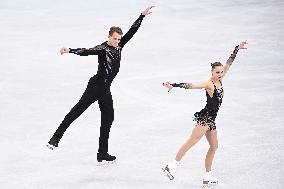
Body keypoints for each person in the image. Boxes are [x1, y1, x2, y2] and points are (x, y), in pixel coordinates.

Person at [47, 6, 155, 165]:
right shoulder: (103, 49)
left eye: (119, 39)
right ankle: (55, 138)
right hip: (95, 87)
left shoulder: (119, 46)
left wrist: (141, 16)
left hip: (105, 89)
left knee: (108, 118)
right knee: (77, 111)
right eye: (115, 39)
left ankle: (102, 153)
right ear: (109, 37)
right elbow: (86, 51)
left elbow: (132, 31)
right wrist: (69, 50)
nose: (118, 41)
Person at [162, 41, 248, 187]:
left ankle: (207, 177)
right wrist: (174, 85)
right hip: (205, 118)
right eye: (217, 72)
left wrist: (236, 49)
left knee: (214, 147)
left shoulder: (221, 77)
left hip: (212, 120)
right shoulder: (209, 84)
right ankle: (172, 165)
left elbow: (229, 62)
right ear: (212, 72)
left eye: (221, 72)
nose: (220, 74)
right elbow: (192, 85)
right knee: (192, 141)